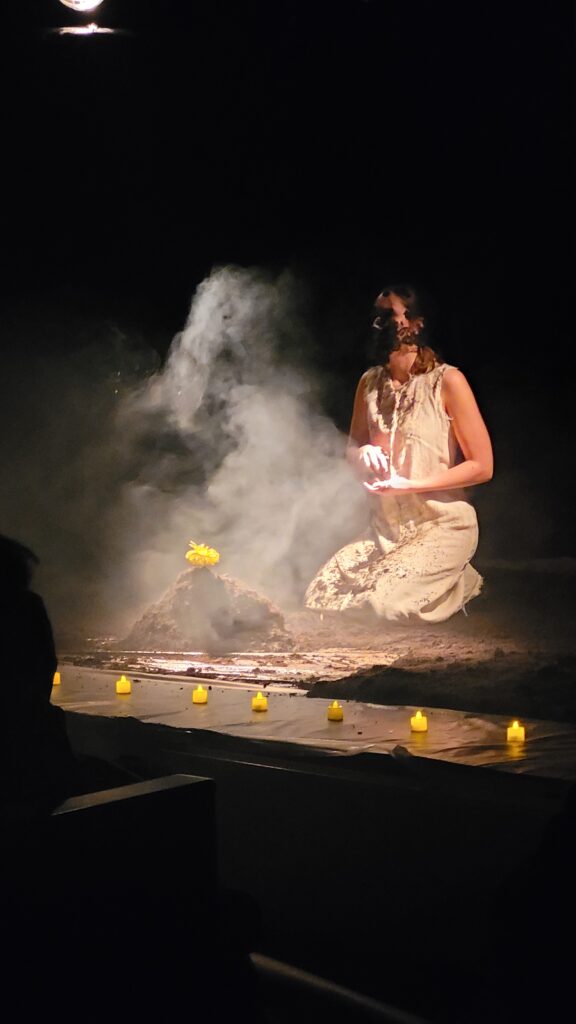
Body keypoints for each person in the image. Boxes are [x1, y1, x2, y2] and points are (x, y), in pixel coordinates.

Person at [304, 284, 493, 622]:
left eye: (388, 316)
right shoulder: (370, 383)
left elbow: (482, 466)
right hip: (385, 530)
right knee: (322, 594)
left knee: (383, 606)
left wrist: (409, 485)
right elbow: (353, 448)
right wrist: (362, 454)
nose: (377, 324)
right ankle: (438, 580)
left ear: (416, 324)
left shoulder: (447, 381)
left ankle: (461, 582)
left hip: (440, 524)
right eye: (375, 317)